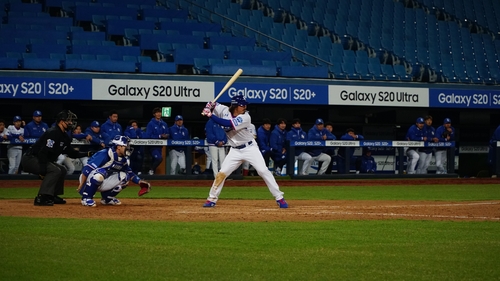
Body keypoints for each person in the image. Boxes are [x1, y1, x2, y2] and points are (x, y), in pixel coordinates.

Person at [201, 95, 288, 208]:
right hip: (234, 150)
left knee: (263, 171)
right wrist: (209, 105)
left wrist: (210, 114)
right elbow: (213, 103)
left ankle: (279, 198)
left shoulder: (245, 117)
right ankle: (211, 199)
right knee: (221, 173)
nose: (245, 107)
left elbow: (227, 124)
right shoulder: (223, 110)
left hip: (249, 148)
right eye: (242, 105)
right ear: (235, 105)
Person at [21, 110, 93, 206]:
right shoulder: (53, 132)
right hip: (30, 158)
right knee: (55, 170)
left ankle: (52, 195)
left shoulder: (64, 136)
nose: (71, 123)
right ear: (61, 122)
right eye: (69, 120)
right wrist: (43, 170)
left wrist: (87, 153)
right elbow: (43, 152)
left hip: (41, 159)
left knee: (62, 169)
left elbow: (71, 153)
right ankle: (42, 197)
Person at [77, 135, 150, 207]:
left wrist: (139, 182)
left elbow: (130, 173)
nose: (128, 148)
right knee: (101, 173)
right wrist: (82, 184)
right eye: (126, 146)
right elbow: (87, 169)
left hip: (103, 180)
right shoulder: (105, 153)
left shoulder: (123, 159)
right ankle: (86, 198)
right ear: (118, 147)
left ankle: (107, 199)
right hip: (88, 179)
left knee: (125, 177)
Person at [145, 107, 169, 175]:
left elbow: (167, 133)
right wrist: (159, 136)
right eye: (157, 113)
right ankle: (151, 170)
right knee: (159, 158)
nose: (159, 114)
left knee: (156, 159)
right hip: (152, 146)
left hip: (160, 146)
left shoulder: (164, 124)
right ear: (154, 114)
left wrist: (166, 135)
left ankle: (151, 174)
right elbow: (148, 135)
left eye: (160, 112)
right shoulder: (151, 123)